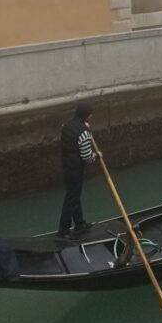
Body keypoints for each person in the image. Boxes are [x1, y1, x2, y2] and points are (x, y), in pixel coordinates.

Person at [58, 101, 98, 238]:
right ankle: (63, 231)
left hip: (66, 167)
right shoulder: (84, 133)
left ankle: (79, 224)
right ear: (87, 116)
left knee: (74, 196)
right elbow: (87, 157)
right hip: (76, 170)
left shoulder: (67, 126)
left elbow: (74, 136)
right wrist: (97, 156)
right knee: (71, 199)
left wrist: (84, 128)